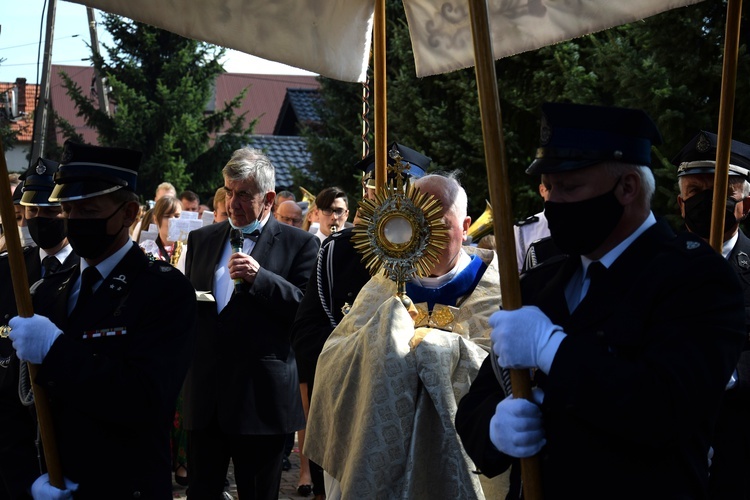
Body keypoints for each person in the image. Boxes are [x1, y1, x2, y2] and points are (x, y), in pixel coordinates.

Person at [455, 102, 746, 499]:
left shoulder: (697, 279)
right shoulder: (541, 284)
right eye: (550, 187)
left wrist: (554, 351)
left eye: (570, 187)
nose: (553, 203)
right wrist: (494, 428)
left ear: (626, 187)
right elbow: (478, 402)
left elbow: (666, 412)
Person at [6, 141, 197, 498]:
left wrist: (56, 350)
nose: (74, 222)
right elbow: (15, 409)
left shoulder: (164, 292)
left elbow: (145, 398)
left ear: (129, 213)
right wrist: (28, 483)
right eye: (67, 210)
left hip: (123, 487)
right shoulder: (46, 293)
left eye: (89, 211)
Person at [304, 172, 502, 499]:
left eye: (440, 225)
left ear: (466, 227)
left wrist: (443, 349)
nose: (427, 239)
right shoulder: (382, 288)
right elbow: (334, 362)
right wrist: (379, 337)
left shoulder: (496, 291)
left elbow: (507, 378)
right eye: (418, 223)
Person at [292, 143, 430, 500]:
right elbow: (307, 335)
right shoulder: (338, 250)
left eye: (399, 189)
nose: (386, 200)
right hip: (348, 409)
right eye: (376, 189)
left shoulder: (435, 253)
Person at [183, 147, 319, 499]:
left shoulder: (300, 244)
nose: (233, 202)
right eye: (229, 191)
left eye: (244, 194)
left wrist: (262, 278)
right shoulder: (202, 239)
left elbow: (306, 310)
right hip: (208, 400)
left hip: (262, 403)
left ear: (268, 198)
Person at [673, 130, 750, 499]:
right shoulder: (651, 265)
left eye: (721, 191)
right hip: (671, 438)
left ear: (745, 204)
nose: (707, 201)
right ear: (681, 203)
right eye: (695, 192)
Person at [0, 158, 78, 499]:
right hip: (10, 426)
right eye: (31, 211)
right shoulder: (9, 268)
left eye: (50, 211)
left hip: (63, 421)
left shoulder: (86, 271)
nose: (39, 220)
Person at [513, 182, 550, 272]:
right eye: (552, 188)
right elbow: (517, 273)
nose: (559, 195)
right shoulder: (523, 230)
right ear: (542, 190)